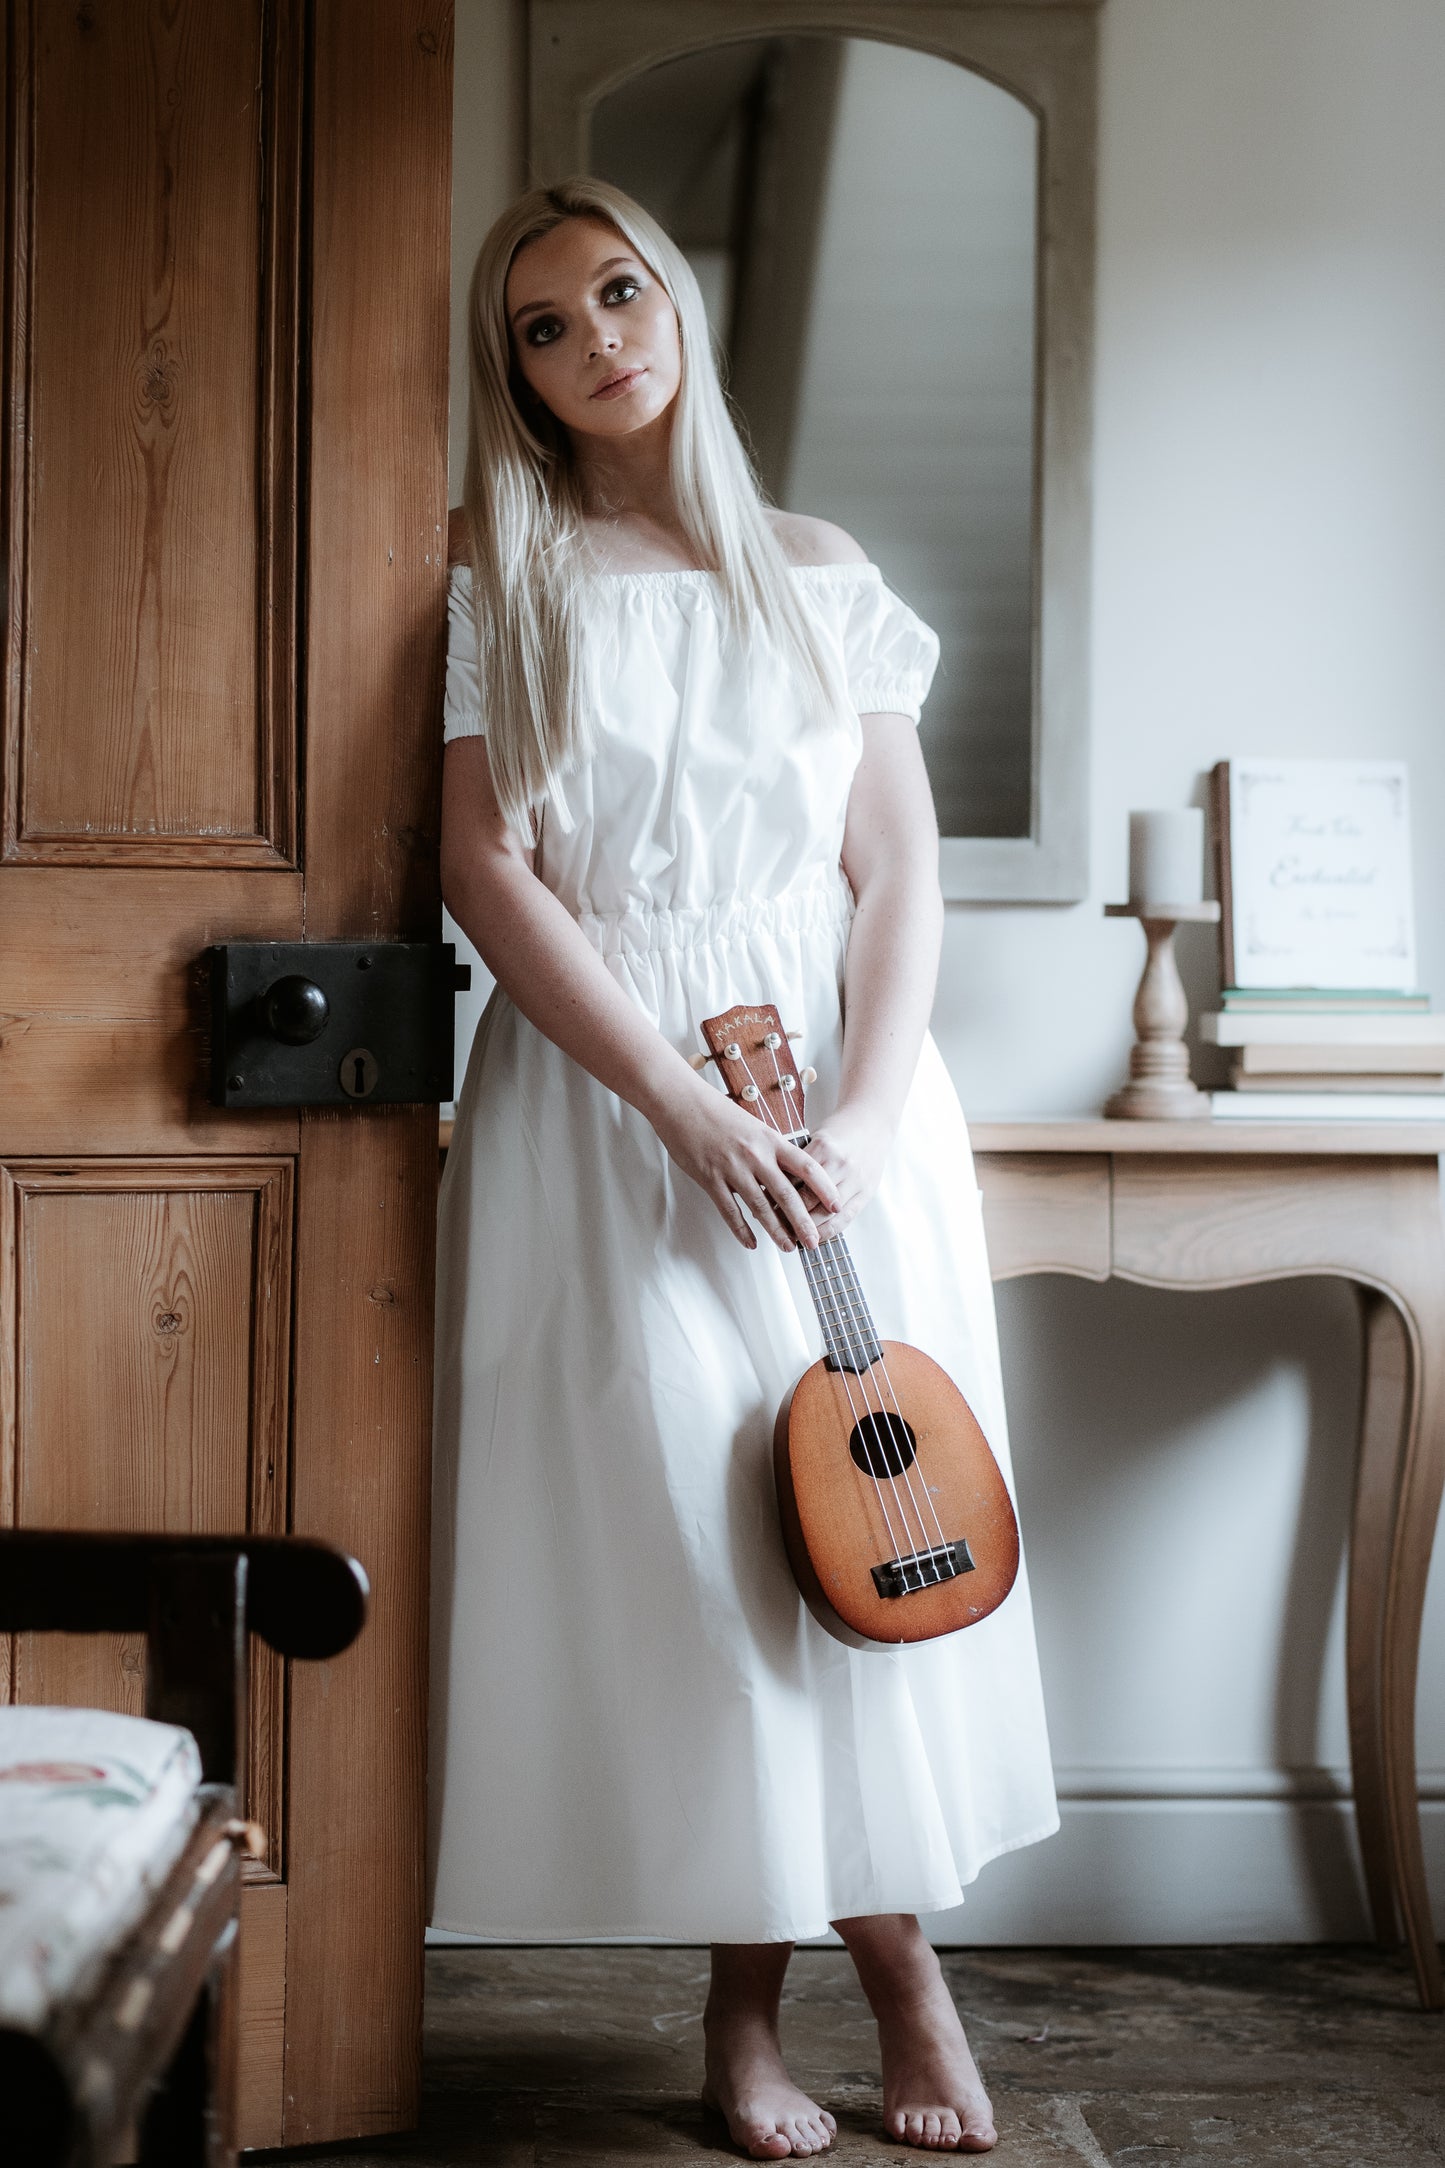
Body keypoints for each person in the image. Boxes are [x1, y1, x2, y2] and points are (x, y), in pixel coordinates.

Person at [428, 177, 1057, 2159]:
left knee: (868, 1541)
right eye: (545, 325)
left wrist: (861, 1118)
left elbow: (899, 882)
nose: (597, 336)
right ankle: (796, 1990)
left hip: (850, 1112)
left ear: (674, 301)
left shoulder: (817, 568)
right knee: (712, 1559)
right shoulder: (493, 567)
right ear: (518, 379)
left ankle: (857, 1987)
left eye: (616, 291)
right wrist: (679, 1110)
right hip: (616, 1111)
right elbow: (484, 872)